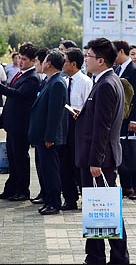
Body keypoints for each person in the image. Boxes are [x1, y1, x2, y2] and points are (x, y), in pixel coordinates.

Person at [74, 37, 130, 265]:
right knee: (98, 210)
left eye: (87, 56)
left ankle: (116, 257)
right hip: (100, 156)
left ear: (100, 60)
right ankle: (96, 256)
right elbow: (97, 120)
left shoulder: (107, 84)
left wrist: (95, 161)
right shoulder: (104, 80)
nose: (85, 59)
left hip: (100, 159)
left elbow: (104, 127)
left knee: (106, 210)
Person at [0, 43, 40, 202]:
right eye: (20, 58)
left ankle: (22, 190)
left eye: (24, 59)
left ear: (32, 61)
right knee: (12, 157)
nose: (20, 62)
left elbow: (18, 94)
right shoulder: (20, 74)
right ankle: (11, 188)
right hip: (13, 124)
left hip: (21, 126)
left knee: (20, 159)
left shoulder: (32, 78)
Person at [28, 51, 68, 215]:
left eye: (43, 61)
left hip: (48, 137)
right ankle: (49, 200)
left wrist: (50, 137)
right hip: (42, 135)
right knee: (46, 169)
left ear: (49, 63)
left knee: (51, 171)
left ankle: (54, 203)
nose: (42, 63)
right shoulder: (49, 81)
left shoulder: (57, 83)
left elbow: (55, 114)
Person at [59, 48, 93, 211]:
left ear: (73, 64)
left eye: (65, 61)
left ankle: (87, 198)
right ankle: (69, 198)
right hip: (65, 125)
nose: (63, 64)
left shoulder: (85, 81)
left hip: (79, 126)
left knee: (79, 165)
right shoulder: (64, 80)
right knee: (65, 164)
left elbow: (89, 107)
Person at [113, 42, 136, 200]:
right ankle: (126, 186)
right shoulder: (118, 69)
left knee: (133, 151)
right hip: (119, 117)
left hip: (130, 118)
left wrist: (135, 120)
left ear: (120, 51)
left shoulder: (135, 70)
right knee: (122, 152)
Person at [29, 47, 51, 205]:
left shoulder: (55, 82)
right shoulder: (45, 80)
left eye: (37, 61)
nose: (35, 64)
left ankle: (50, 197)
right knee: (41, 166)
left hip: (47, 135)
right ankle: (44, 192)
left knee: (48, 168)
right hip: (39, 133)